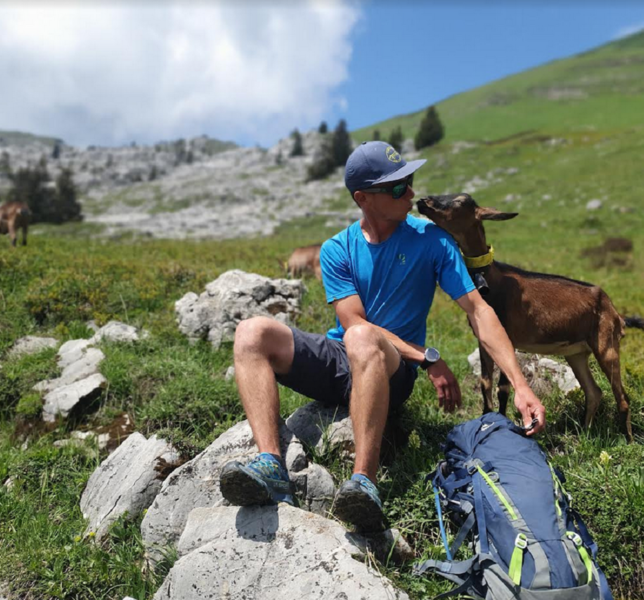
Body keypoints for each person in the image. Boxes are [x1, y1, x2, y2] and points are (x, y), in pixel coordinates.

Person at [220, 141, 546, 531]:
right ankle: (271, 464)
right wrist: (428, 356)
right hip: (343, 359)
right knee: (251, 331)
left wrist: (521, 383)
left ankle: (364, 483)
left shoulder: (432, 240)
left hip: (392, 371)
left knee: (361, 341)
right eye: (396, 188)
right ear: (363, 198)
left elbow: (479, 310)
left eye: (409, 181)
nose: (410, 193)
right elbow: (353, 320)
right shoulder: (337, 249)